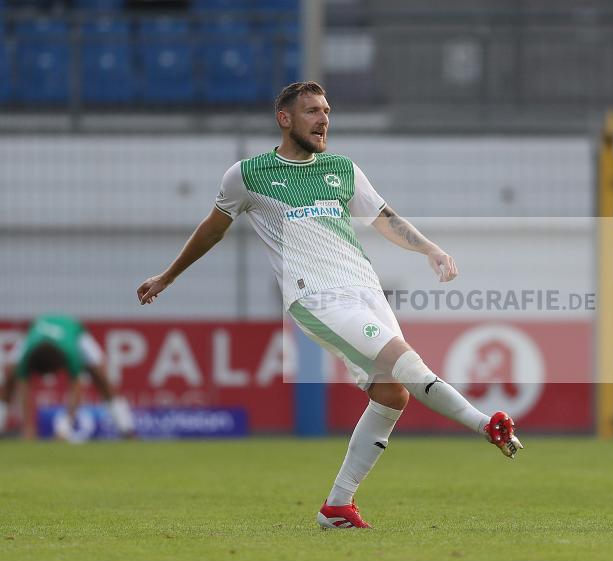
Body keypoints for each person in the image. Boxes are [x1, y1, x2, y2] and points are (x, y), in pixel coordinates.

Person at [136, 81, 523, 529]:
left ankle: (337, 507)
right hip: (316, 297)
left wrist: (430, 249)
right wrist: (168, 276)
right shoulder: (247, 175)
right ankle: (484, 424)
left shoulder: (342, 169)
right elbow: (212, 229)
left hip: (366, 292)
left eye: (327, 110)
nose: (323, 119)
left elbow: (385, 218)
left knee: (392, 393)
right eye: (312, 111)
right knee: (405, 363)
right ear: (285, 119)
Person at [0, 314, 135, 440]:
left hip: (76, 333)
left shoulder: (71, 353)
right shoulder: (25, 356)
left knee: (102, 379)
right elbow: (24, 391)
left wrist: (64, 426)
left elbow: (76, 389)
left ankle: (126, 428)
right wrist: (28, 429)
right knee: (9, 380)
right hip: (35, 333)